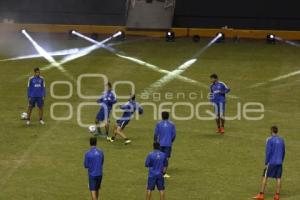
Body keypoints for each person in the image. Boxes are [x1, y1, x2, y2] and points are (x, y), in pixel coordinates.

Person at [253, 126, 285, 200]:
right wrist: (281, 160)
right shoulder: (282, 140)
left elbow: (268, 152)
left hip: (271, 162)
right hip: (279, 162)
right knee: (278, 178)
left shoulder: (270, 140)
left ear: (271, 131)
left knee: (265, 176)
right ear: (277, 131)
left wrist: (266, 162)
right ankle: (277, 195)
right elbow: (283, 152)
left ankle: (261, 194)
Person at [154, 112, 176, 178]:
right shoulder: (172, 124)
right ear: (168, 116)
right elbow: (174, 134)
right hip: (168, 144)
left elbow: (156, 134)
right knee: (166, 158)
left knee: (159, 156)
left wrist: (155, 141)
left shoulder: (158, 124)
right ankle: (163, 173)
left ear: (162, 116)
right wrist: (171, 141)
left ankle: (157, 170)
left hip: (160, 143)